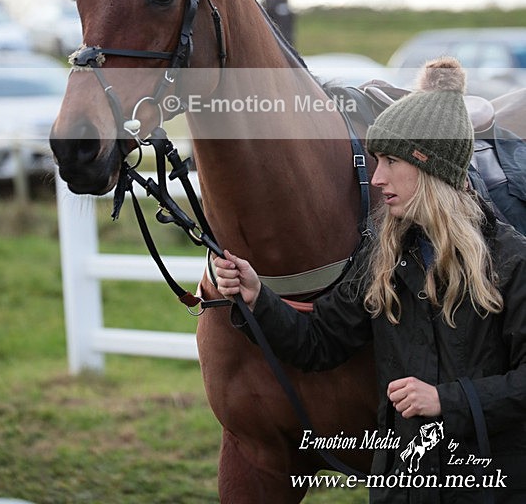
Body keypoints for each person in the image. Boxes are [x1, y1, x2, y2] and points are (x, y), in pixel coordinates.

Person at [214, 57, 526, 503]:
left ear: (431, 167)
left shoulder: (511, 262)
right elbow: (318, 343)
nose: (377, 178)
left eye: (391, 161)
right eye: (376, 161)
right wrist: (257, 297)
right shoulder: (382, 258)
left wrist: (448, 401)